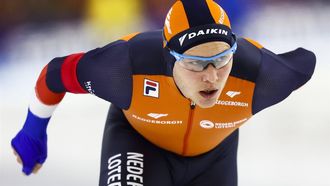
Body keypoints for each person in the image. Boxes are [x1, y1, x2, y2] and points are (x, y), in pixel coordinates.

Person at [11, 0, 316, 185]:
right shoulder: (125, 69)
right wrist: (33, 130)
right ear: (170, 60)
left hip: (214, 159)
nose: (212, 77)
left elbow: (305, 61)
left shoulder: (262, 76)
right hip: (138, 142)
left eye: (222, 59)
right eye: (196, 63)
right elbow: (55, 74)